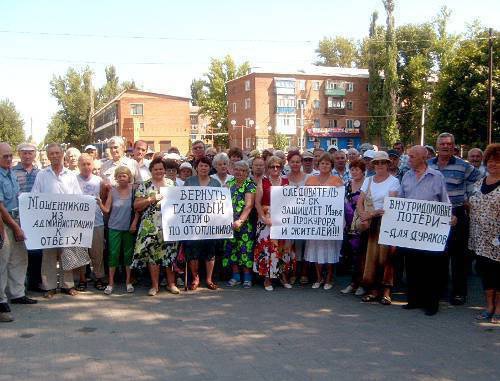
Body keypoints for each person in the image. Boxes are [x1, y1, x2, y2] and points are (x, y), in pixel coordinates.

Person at [428, 132, 481, 305]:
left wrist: (470, 197)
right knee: (439, 254)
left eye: (448, 144)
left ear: (453, 147)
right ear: (437, 146)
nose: (445, 146)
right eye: (442, 144)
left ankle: (459, 293)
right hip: (434, 214)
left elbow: (480, 180)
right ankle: (441, 290)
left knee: (459, 257)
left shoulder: (463, 166)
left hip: (457, 213)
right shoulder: (428, 165)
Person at [399, 146, 451, 316]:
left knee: (430, 268)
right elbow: (401, 200)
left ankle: (431, 303)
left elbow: (444, 201)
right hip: (411, 231)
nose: (409, 159)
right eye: (408, 156)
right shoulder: (406, 176)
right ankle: (414, 300)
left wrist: (450, 217)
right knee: (412, 266)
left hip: (430, 231)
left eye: (412, 156)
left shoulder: (437, 176)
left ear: (424, 157)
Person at [31, 143, 83, 298]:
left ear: (62, 154)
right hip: (49, 222)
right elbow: (35, 196)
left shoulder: (71, 175)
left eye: (57, 153)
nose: (54, 156)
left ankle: (68, 285)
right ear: (48, 156)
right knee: (49, 255)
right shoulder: (42, 174)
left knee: (67, 252)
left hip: (67, 222)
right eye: (51, 153)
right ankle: (49, 286)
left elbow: (78, 197)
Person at [132, 157, 180, 296]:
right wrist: (150, 199)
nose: (159, 171)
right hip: (150, 226)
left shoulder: (172, 184)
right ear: (151, 170)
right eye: (156, 169)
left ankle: (171, 284)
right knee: (153, 256)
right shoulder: (145, 185)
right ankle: (155, 286)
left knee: (170, 255)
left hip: (169, 225)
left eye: (161, 169)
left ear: (164, 170)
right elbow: (136, 205)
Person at [0, 143, 37, 323]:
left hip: (17, 220)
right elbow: (0, 207)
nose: (8, 159)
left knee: (20, 259)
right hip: (4, 224)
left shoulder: (12, 175)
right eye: (4, 156)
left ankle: (17, 294)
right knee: (2, 263)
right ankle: (1, 302)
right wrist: (15, 227)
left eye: (9, 156)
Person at [357, 151, 400, 305]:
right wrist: (363, 215)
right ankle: (373, 290)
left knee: (387, 257)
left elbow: (392, 203)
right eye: (377, 163)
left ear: (388, 164)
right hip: (371, 223)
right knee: (371, 257)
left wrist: (371, 214)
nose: (380, 165)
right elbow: (359, 201)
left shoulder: (394, 181)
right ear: (373, 165)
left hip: (387, 222)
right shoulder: (368, 181)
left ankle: (386, 291)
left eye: (383, 162)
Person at [468, 143, 500, 324]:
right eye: (490, 161)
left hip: (498, 239)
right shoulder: (479, 183)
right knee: (485, 272)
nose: (493, 165)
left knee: (499, 273)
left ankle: (499, 307)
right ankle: (488, 306)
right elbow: (471, 204)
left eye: (497, 162)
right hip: (480, 237)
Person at [304, 153, 343, 290]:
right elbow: (304, 201)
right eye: (322, 163)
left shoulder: (337, 180)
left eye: (327, 163)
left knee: (330, 250)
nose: (325, 165)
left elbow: (340, 202)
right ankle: (319, 277)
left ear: (331, 166)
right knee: (316, 250)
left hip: (330, 222)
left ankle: (329, 278)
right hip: (314, 222)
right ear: (318, 165)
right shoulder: (310, 180)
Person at [98, 166, 139, 295]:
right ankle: (110, 283)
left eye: (124, 175)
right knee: (113, 255)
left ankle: (128, 282)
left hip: (128, 228)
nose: (122, 178)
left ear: (129, 177)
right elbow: (107, 210)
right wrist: (99, 203)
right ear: (116, 177)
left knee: (128, 255)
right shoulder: (113, 191)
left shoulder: (134, 190)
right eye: (119, 176)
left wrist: (134, 223)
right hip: (114, 228)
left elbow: (137, 209)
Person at [253, 156, 291, 291]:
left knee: (282, 247)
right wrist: (264, 218)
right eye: (272, 166)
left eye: (278, 166)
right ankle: (267, 278)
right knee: (267, 249)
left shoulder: (286, 181)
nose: (275, 169)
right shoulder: (262, 182)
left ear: (281, 167)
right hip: (266, 219)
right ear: (267, 168)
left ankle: (282, 276)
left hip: (282, 219)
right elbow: (257, 203)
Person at [183, 157, 221, 290]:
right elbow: (184, 201)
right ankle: (195, 278)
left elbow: (219, 203)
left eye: (206, 166)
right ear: (196, 167)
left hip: (210, 224)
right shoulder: (189, 181)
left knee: (210, 252)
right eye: (201, 165)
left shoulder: (215, 183)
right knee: (193, 252)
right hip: (193, 223)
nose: (203, 168)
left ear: (210, 168)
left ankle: (209, 279)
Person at [12, 142, 42, 292]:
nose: (27, 155)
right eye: (24, 152)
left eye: (30, 152)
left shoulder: (40, 173)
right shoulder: (12, 172)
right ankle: (19, 285)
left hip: (36, 218)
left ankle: (34, 282)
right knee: (20, 252)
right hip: (19, 217)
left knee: (36, 251)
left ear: (35, 155)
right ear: (20, 154)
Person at [223, 161, 256, 288]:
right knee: (231, 250)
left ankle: (247, 277)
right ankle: (235, 276)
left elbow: (249, 206)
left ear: (247, 173)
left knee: (245, 250)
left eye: (242, 170)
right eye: (236, 169)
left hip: (245, 224)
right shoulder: (228, 184)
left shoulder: (250, 185)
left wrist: (240, 221)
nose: (239, 172)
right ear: (232, 170)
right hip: (228, 223)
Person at [76, 154, 106, 291]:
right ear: (78, 165)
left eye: (88, 164)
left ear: (93, 165)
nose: (86, 167)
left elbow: (105, 199)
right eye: (83, 164)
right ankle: (82, 279)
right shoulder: (73, 180)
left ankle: (99, 277)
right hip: (79, 223)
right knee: (81, 252)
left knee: (97, 253)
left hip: (96, 222)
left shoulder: (99, 181)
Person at [340, 159, 367, 296]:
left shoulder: (368, 184)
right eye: (352, 169)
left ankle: (362, 284)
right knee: (351, 256)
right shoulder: (346, 185)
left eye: (357, 169)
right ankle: (353, 283)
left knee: (361, 257)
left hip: (361, 225)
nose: (354, 172)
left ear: (363, 171)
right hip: (348, 225)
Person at [284, 150, 309, 285]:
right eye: (292, 161)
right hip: (289, 216)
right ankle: (292, 272)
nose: (295, 164)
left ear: (301, 163)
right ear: (288, 162)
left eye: (298, 161)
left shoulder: (309, 178)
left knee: (303, 245)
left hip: (304, 216)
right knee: (291, 245)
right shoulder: (284, 178)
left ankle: (304, 273)